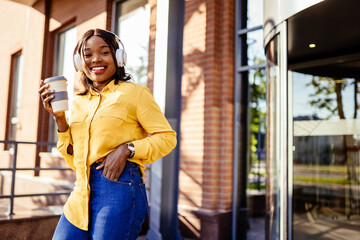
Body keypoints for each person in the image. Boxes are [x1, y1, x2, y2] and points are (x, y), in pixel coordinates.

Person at [38, 28, 177, 239]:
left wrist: (127, 149)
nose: (96, 59)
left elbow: (167, 138)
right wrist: (59, 118)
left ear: (118, 56)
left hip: (119, 188)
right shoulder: (78, 102)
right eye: (88, 54)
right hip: (80, 192)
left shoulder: (135, 93)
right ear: (79, 62)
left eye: (104, 52)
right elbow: (74, 160)